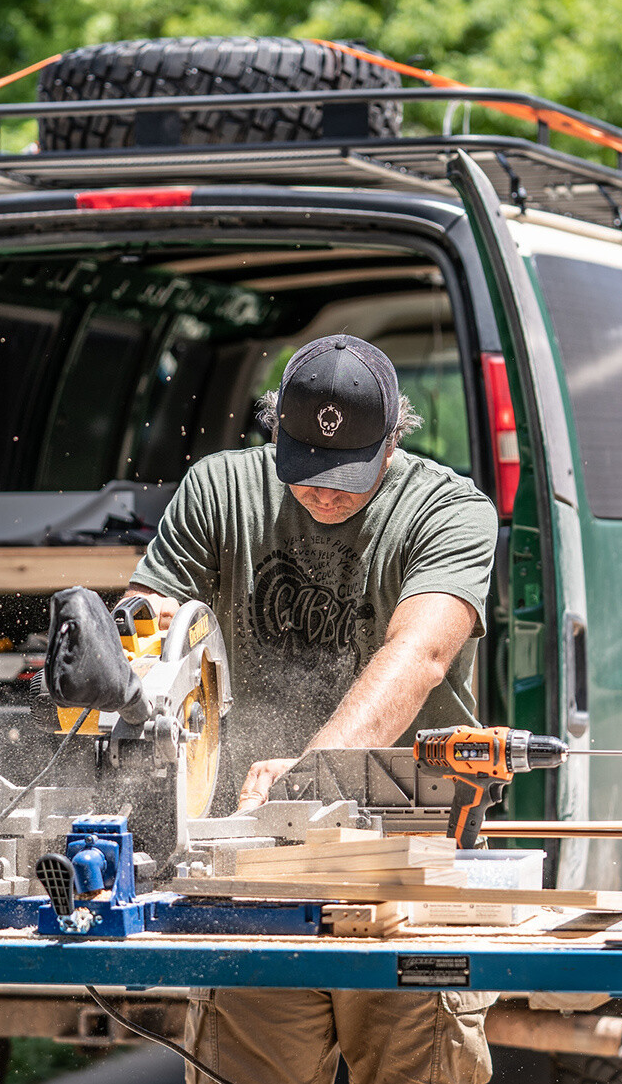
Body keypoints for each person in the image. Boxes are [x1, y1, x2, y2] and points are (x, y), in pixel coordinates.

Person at [124, 334, 499, 1084]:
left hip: (408, 852)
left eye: (348, 476)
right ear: (274, 435)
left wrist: (311, 770)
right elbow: (153, 614)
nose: (325, 492)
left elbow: (420, 654)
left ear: (394, 440)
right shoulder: (218, 489)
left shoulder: (451, 510)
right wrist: (125, 648)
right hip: (251, 858)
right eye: (307, 471)